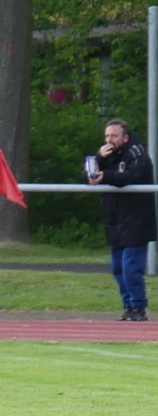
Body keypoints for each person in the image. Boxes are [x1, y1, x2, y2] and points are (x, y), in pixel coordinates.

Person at [86, 119, 154, 322]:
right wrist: (98, 159)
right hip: (114, 221)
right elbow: (87, 173)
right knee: (118, 269)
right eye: (107, 136)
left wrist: (105, 175)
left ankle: (138, 308)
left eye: (114, 136)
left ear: (125, 137)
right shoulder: (105, 155)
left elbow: (130, 177)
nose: (109, 140)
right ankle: (128, 306)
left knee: (131, 268)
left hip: (136, 220)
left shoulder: (137, 154)